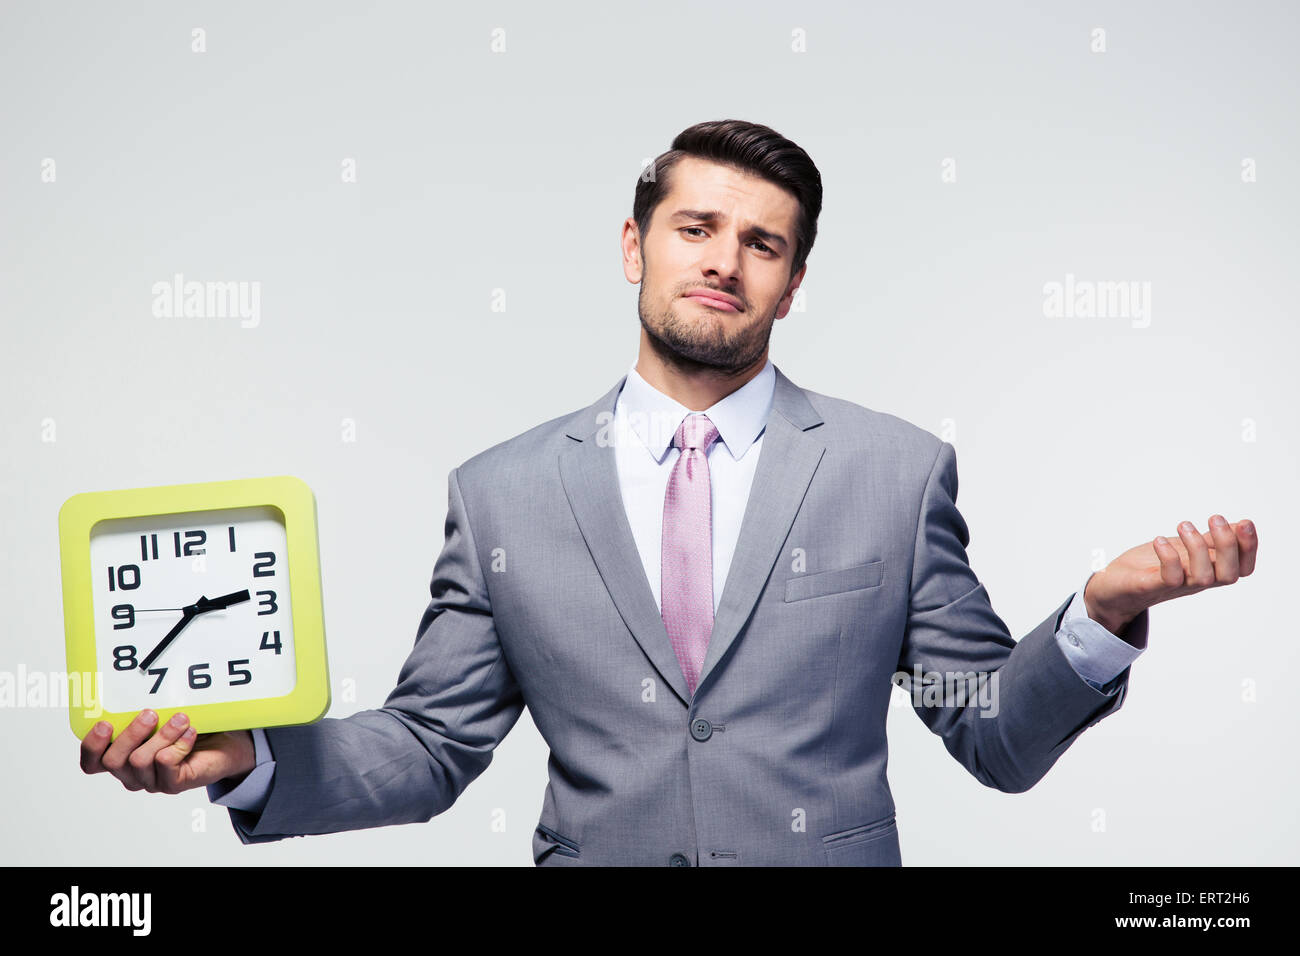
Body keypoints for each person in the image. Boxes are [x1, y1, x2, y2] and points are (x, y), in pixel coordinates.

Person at [79, 119, 1258, 865]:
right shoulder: (501, 495)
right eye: (695, 226)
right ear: (633, 244)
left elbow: (984, 722)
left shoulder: (891, 473)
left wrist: (1095, 618)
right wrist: (248, 755)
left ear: (792, 285)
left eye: (762, 243)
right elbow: (433, 743)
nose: (722, 260)